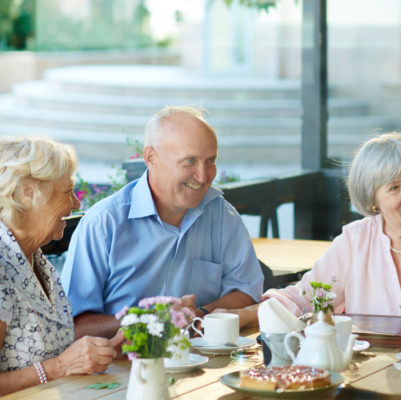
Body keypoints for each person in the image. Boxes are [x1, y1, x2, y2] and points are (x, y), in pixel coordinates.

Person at [224, 132, 401, 345]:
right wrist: (244, 315)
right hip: (367, 371)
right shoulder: (355, 239)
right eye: (394, 187)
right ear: (372, 199)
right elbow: (306, 298)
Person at [61, 106, 264, 339]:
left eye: (211, 161)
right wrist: (145, 319)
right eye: (189, 161)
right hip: (122, 368)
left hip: (202, 362)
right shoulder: (103, 224)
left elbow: (246, 290)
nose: (203, 176)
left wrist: (199, 313)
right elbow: (73, 326)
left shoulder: (221, 215)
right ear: (151, 158)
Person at [0, 136, 119, 395]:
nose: (76, 203)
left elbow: (51, 351)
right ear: (26, 193)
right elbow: (56, 364)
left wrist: (108, 347)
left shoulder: (36, 259)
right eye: (67, 192)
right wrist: (59, 367)